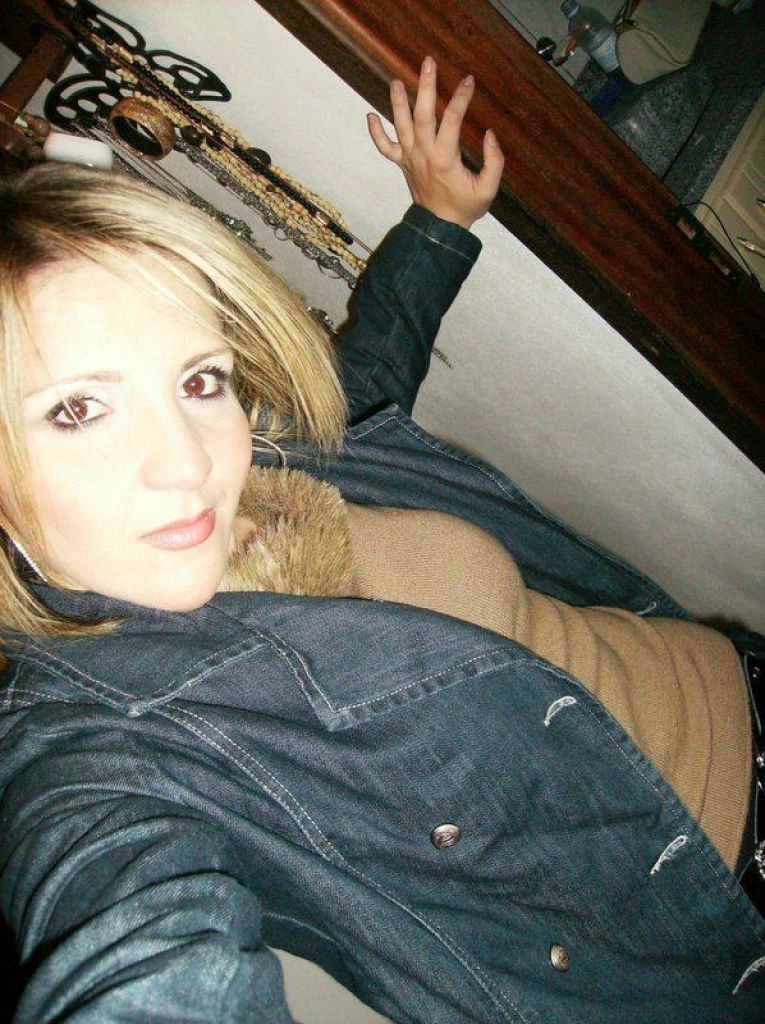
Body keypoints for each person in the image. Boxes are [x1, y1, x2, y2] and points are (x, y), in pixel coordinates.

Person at [0, 57, 763, 1024]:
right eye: (76, 409)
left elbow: (364, 375)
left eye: (198, 380)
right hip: (724, 906)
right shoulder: (86, 752)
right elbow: (133, 940)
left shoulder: (273, 462)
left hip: (729, 671)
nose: (187, 461)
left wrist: (438, 219)